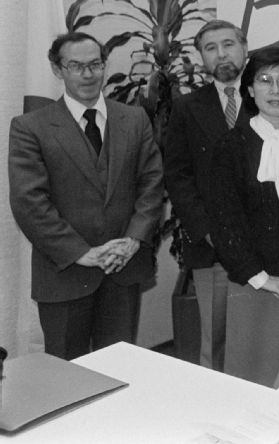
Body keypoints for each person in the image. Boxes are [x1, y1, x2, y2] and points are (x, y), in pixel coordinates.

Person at [9, 32, 163, 360]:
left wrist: (133, 240)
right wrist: (82, 253)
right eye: (76, 66)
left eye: (95, 64)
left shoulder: (135, 119)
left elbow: (151, 184)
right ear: (57, 69)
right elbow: (29, 202)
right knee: (68, 374)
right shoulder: (30, 127)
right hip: (65, 274)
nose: (88, 74)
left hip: (123, 270)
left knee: (120, 368)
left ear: (105, 64)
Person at [207, 47, 279, 386]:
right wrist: (259, 277)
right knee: (257, 380)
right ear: (250, 90)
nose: (275, 89)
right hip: (256, 282)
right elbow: (225, 220)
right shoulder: (231, 145)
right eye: (265, 80)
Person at [165, 19, 251, 370]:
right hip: (211, 246)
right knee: (214, 340)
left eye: (228, 44)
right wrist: (208, 230)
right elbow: (177, 176)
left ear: (245, 48)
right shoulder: (187, 107)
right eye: (210, 48)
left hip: (265, 245)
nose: (221, 54)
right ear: (201, 58)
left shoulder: (271, 97)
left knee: (260, 339)